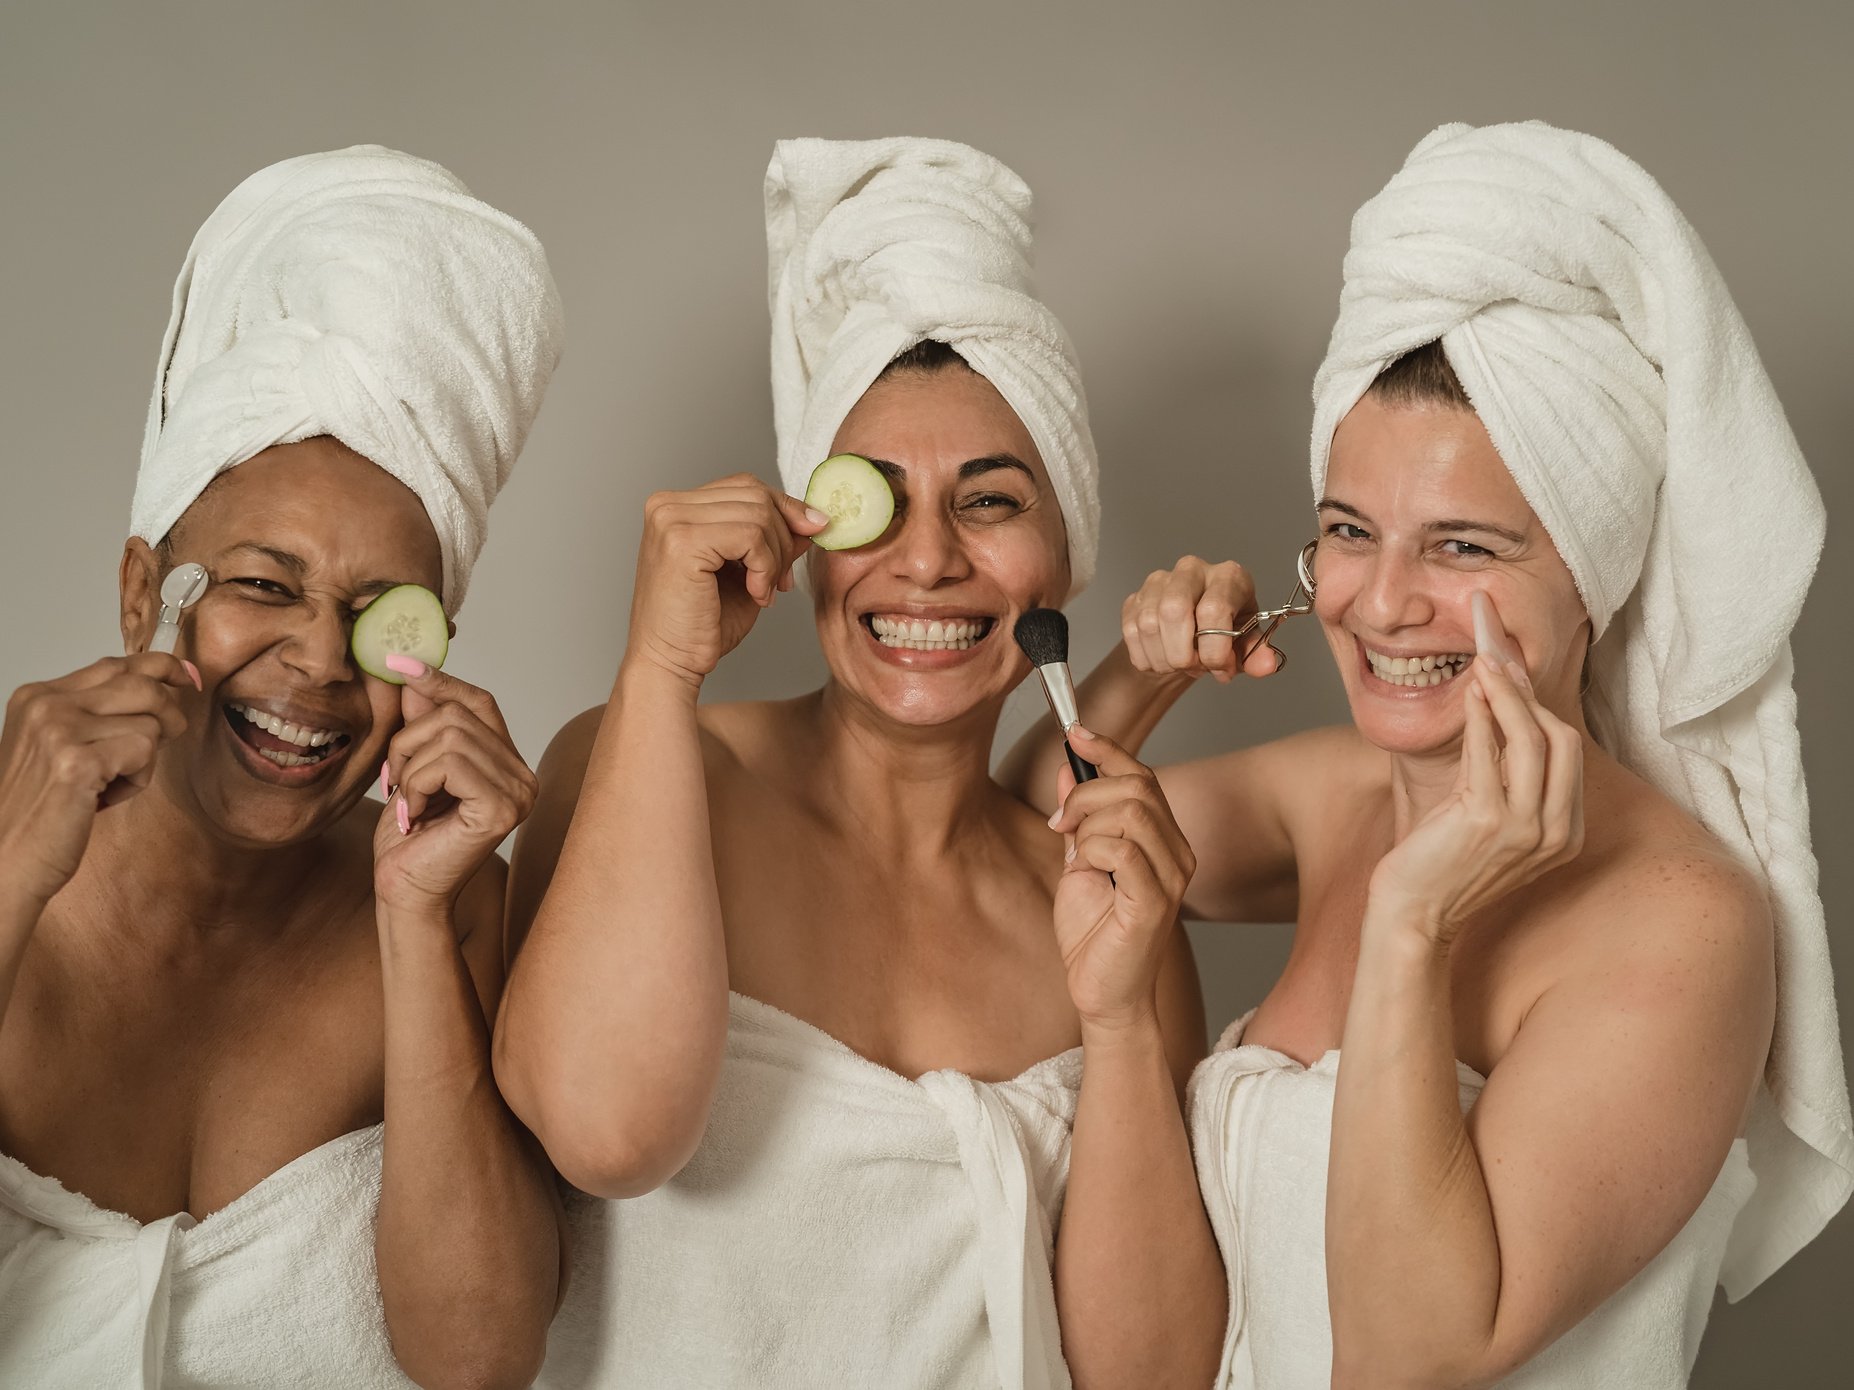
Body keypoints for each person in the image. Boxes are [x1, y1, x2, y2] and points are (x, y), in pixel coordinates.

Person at [1006, 121, 1852, 1387]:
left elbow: (1406, 1356)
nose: (1384, 603)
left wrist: (1412, 923)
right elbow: (1039, 817)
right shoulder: (1329, 794)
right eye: (1351, 531)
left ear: (1593, 578)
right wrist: (1148, 668)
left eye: (1463, 547)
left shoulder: (1684, 924)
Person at [496, 138, 1221, 1389]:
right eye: (873, 501)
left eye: (989, 501)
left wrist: (1113, 1016)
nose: (927, 560)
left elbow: (1151, 1378)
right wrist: (660, 666)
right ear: (805, 541)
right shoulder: (655, 768)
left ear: (1065, 555)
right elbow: (604, 1133)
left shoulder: (1111, 898)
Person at [0, 145, 567, 1389]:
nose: (317, 660)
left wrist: (415, 917)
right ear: (144, 592)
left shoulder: (453, 899)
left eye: (380, 618)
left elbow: (479, 1357)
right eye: (264, 585)